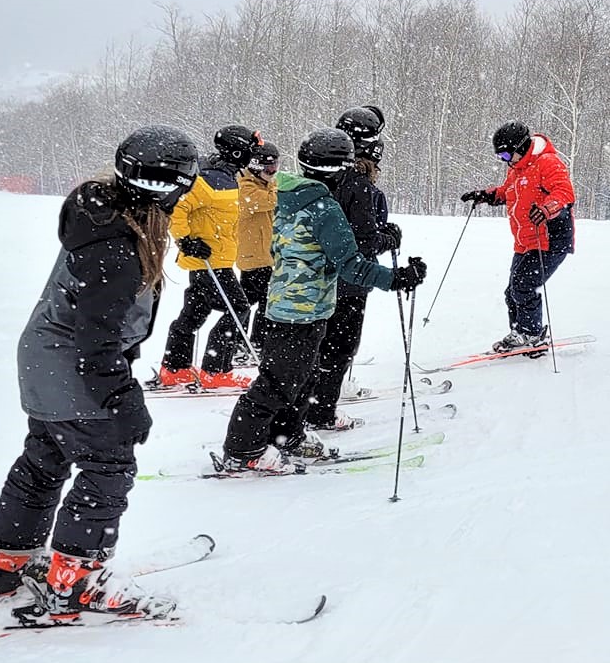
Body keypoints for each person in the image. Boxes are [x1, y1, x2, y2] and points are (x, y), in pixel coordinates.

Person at [0, 125, 199, 620]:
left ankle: (11, 561)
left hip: (43, 362)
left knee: (45, 458)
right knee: (108, 469)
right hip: (73, 367)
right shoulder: (118, 248)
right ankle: (77, 582)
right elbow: (97, 341)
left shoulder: (104, 209)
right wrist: (123, 398)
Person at [219, 129, 427, 473]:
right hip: (299, 310)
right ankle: (243, 449)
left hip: (293, 306)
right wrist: (396, 279)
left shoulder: (286, 195)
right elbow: (352, 266)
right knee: (278, 383)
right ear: (341, 168)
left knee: (303, 376)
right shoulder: (323, 208)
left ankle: (289, 435)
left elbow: (293, 249)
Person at [301, 105, 399, 431]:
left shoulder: (325, 177)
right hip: (349, 279)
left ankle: (312, 402)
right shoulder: (358, 184)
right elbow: (362, 240)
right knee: (339, 345)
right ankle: (321, 410)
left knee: (320, 343)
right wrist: (387, 237)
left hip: (320, 276)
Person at [160, 124, 261, 389]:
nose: (253, 157)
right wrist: (186, 240)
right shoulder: (208, 178)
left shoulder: (225, 175)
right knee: (237, 308)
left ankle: (175, 368)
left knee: (195, 310)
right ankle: (216, 372)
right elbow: (177, 209)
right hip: (209, 260)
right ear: (237, 152)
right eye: (250, 151)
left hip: (216, 259)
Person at [461, 120, 575, 355]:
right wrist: (486, 195)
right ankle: (520, 333)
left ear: (521, 147)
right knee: (512, 290)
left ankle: (532, 335)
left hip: (550, 239)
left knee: (523, 285)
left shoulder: (547, 163)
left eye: (505, 154)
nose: (504, 160)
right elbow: (507, 192)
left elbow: (564, 193)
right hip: (526, 241)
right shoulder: (517, 168)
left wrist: (546, 209)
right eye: (500, 156)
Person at [233, 139, 279, 355]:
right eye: (269, 168)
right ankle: (248, 342)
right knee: (254, 300)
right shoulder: (245, 186)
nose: (273, 173)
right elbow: (268, 201)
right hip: (253, 255)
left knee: (262, 300)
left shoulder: (264, 185)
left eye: (275, 167)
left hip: (265, 254)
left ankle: (250, 341)